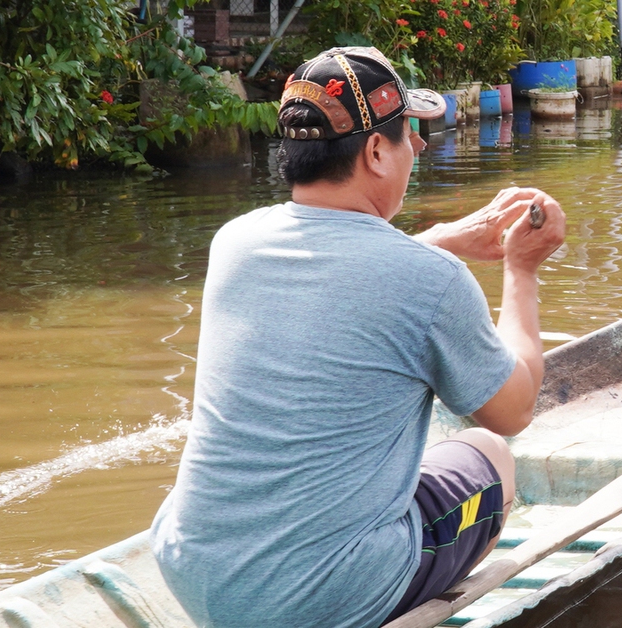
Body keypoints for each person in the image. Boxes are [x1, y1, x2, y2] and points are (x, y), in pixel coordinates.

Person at [150, 46, 566, 628]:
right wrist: (520, 272)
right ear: (375, 151)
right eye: (407, 135)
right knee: (492, 456)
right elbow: (515, 409)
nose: (419, 146)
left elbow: (341, 282)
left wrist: (444, 236)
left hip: (191, 570)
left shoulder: (235, 242)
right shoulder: (431, 283)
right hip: (315, 600)